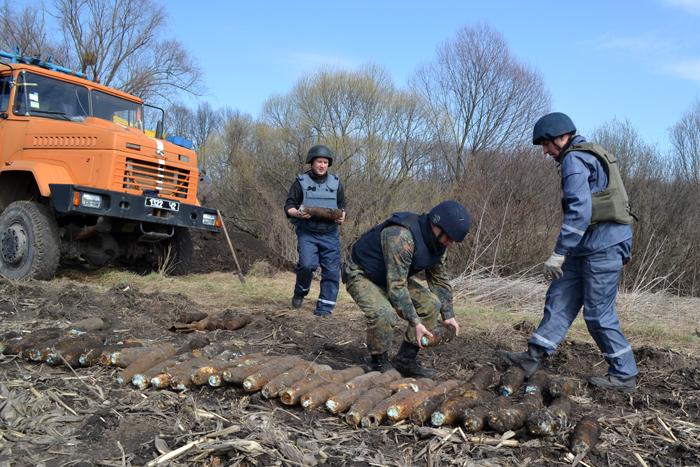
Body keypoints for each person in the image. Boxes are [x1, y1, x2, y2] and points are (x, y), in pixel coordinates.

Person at [499, 112, 638, 392]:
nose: (546, 152)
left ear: (562, 137)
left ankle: (624, 374)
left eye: (547, 145)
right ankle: (533, 356)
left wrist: (559, 252)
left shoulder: (575, 160)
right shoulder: (586, 155)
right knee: (560, 296)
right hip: (587, 245)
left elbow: (579, 211)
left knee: (598, 313)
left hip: (604, 246)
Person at [344, 200, 470, 377]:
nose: (449, 243)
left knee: (432, 304)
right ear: (436, 224)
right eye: (448, 237)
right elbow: (396, 286)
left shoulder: (439, 244)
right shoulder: (401, 236)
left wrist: (448, 315)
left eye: (452, 240)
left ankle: (405, 360)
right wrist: (415, 322)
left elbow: (439, 279)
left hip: (392, 276)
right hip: (362, 273)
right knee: (384, 313)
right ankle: (378, 362)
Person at [285, 144, 346, 316]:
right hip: (308, 232)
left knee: (332, 271)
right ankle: (300, 291)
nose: (322, 165)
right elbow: (289, 205)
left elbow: (342, 205)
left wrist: (343, 216)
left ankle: (324, 309)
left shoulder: (336, 183)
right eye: (319, 161)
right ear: (311, 163)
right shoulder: (301, 182)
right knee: (307, 265)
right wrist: (297, 213)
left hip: (330, 233)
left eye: (325, 162)